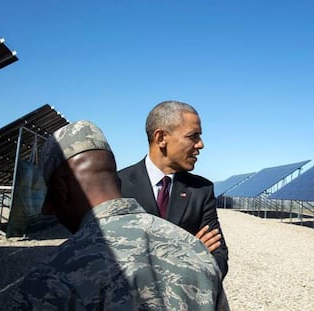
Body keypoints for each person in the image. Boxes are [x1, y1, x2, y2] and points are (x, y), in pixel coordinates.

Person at [14, 120, 229, 310]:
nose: (48, 210)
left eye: (50, 199)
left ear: (61, 191)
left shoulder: (51, 279)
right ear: (117, 181)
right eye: (193, 136)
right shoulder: (196, 252)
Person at [118, 100, 229, 279]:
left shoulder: (201, 190)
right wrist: (186, 253)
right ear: (161, 138)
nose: (201, 144)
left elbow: (219, 258)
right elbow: (109, 256)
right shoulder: (118, 186)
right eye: (193, 136)